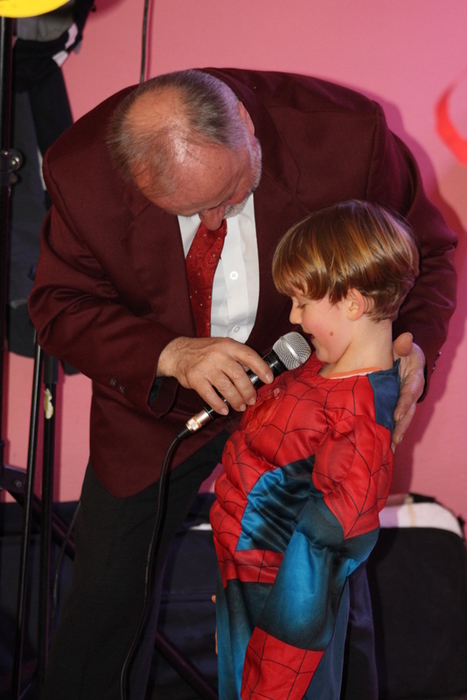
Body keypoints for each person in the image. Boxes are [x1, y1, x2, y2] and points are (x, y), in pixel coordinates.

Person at [27, 68, 457, 699]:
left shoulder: (345, 136)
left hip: (313, 397)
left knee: (326, 601)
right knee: (104, 603)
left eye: (229, 194)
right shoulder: (81, 170)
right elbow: (59, 306)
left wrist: (409, 346)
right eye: (185, 210)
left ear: (249, 131)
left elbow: (429, 254)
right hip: (158, 408)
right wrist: (171, 353)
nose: (211, 221)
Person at [210, 199, 419, 700]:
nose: (292, 316)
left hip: (283, 626)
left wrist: (273, 678)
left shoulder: (359, 421)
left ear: (353, 303)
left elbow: (320, 562)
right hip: (245, 586)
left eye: (302, 303)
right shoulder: (316, 368)